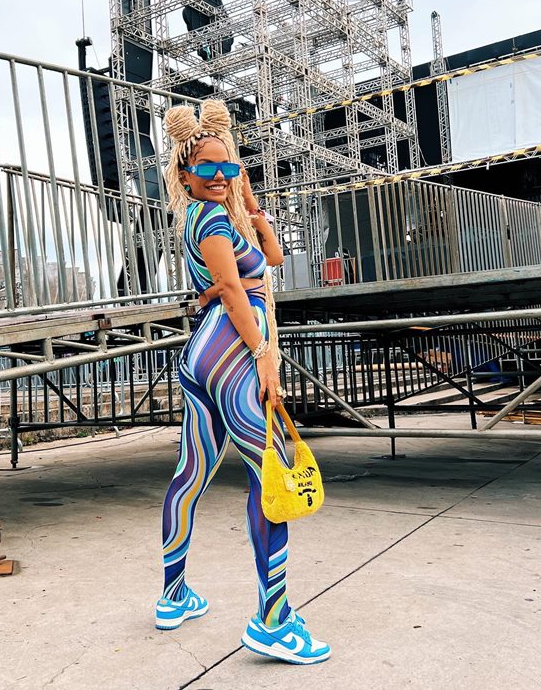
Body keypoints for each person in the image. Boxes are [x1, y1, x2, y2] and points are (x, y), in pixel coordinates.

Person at [155, 99, 330, 665]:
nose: (220, 179)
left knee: (192, 474)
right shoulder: (205, 220)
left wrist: (248, 197)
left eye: (227, 168)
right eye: (208, 170)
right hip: (233, 348)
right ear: (185, 175)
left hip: (205, 353)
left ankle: (174, 596)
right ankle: (274, 621)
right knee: (271, 470)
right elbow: (234, 293)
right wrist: (263, 355)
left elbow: (272, 258)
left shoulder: (221, 217)